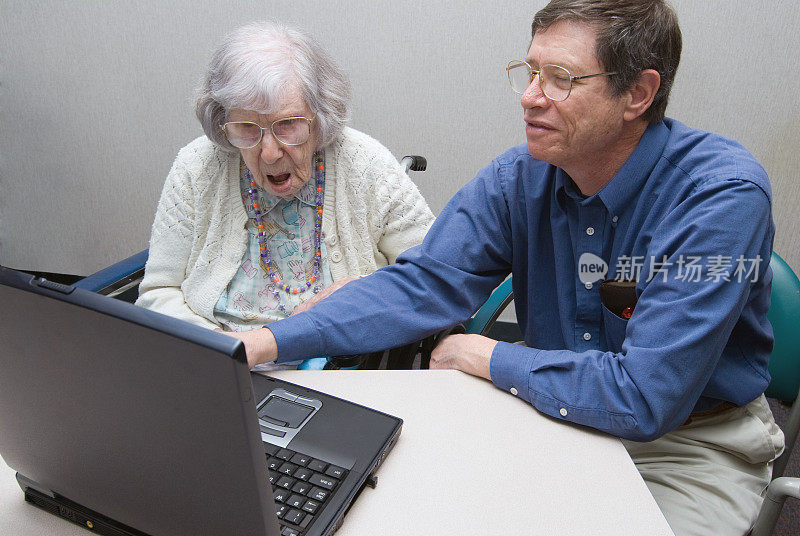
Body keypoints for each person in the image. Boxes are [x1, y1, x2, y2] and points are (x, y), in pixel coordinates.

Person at [226, 1, 784, 534]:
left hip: (686, 443)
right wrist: (265, 342)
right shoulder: (521, 177)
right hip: (546, 415)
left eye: (561, 78)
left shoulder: (720, 199)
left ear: (637, 92)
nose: (531, 97)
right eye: (530, 71)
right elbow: (423, 284)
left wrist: (488, 353)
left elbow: (644, 397)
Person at [136, 20, 435, 365]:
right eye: (246, 128)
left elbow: (433, 278)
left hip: (340, 368)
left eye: (288, 125)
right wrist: (223, 350)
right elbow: (158, 293)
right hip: (214, 361)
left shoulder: (367, 165)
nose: (269, 153)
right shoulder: (196, 167)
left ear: (320, 116)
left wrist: (365, 292)